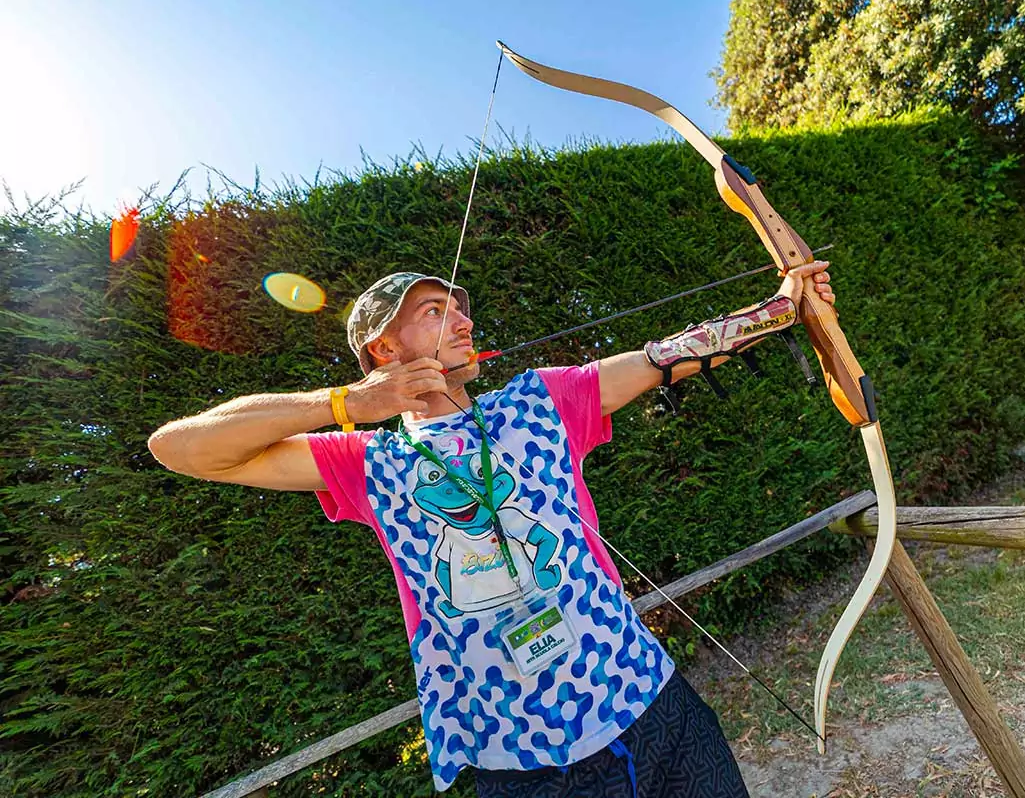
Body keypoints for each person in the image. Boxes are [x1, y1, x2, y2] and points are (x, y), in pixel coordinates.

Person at [148, 261, 836, 797]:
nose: (462, 322)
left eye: (461, 310)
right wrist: (346, 404)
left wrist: (781, 307)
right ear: (384, 346)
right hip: (523, 765)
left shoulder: (540, 401)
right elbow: (178, 448)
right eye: (434, 312)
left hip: (656, 708)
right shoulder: (368, 462)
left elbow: (667, 355)